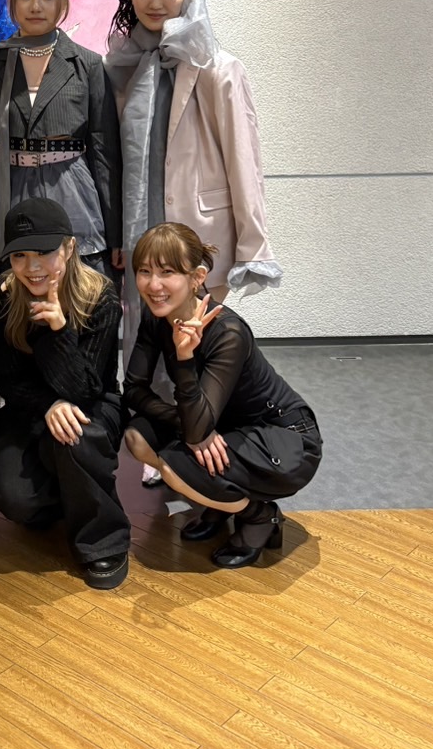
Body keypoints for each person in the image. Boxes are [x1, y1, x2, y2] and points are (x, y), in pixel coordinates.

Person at [104, 0, 280, 359]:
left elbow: (244, 162)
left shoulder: (219, 68)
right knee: (144, 337)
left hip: (201, 230)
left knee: (196, 341)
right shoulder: (122, 67)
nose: (155, 3)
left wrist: (253, 246)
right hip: (142, 228)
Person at [123, 223, 321, 568]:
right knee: (137, 437)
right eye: (144, 271)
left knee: (173, 468)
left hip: (283, 436)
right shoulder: (157, 318)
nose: (153, 285)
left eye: (167, 272)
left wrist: (185, 358)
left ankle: (260, 516)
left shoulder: (228, 332)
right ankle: (219, 503)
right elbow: (133, 390)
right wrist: (185, 422)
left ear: (197, 277)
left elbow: (198, 431)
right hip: (221, 424)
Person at [0, 199, 131, 590]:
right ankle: (68, 495)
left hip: (91, 405)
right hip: (29, 407)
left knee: (74, 434)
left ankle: (104, 540)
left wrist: (59, 330)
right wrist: (47, 404)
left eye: (44, 252)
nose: (32, 267)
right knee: (13, 497)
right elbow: (6, 380)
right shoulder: (3, 295)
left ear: (69, 247)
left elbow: (86, 388)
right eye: (20, 255)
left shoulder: (101, 296)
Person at [0, 0, 121, 278]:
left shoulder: (88, 65)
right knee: (13, 296)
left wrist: (116, 235)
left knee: (82, 293)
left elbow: (104, 154)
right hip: (10, 197)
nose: (35, 6)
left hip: (74, 198)